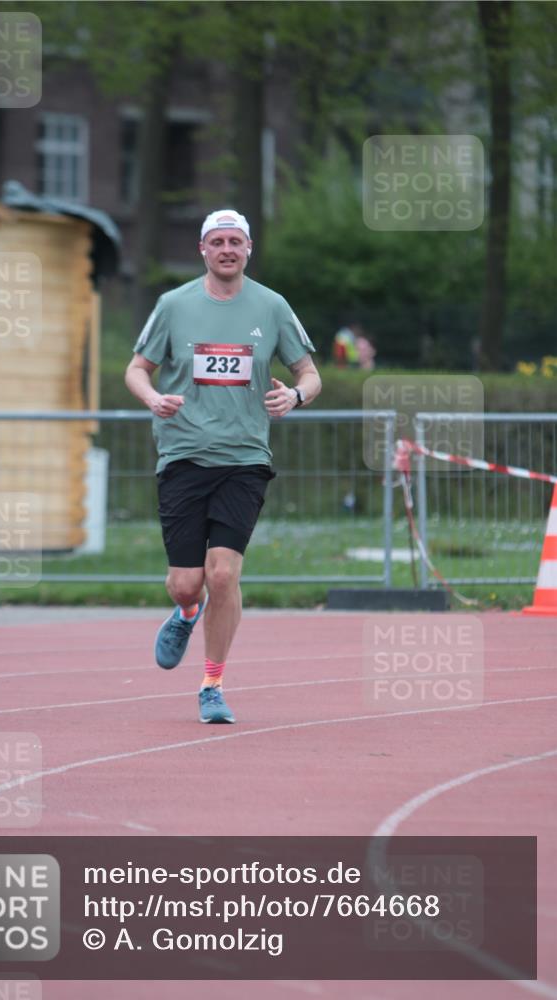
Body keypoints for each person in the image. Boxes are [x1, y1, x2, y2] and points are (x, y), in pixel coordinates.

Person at [125, 209, 322, 724]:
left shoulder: (272, 306)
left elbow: (309, 372)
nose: (228, 249)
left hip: (245, 459)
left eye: (236, 241)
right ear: (203, 250)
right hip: (184, 456)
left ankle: (212, 683)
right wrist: (152, 398)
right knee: (187, 583)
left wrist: (296, 396)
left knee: (223, 574)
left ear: (249, 249)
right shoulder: (173, 305)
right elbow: (137, 368)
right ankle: (185, 613)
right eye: (218, 242)